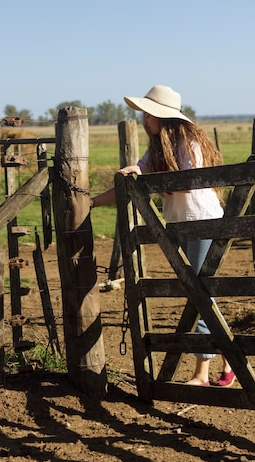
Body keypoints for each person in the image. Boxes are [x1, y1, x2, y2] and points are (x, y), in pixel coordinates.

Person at [92, 85, 235, 388]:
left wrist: (148, 178)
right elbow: (135, 179)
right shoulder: (157, 147)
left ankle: (201, 375)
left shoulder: (189, 143)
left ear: (161, 115)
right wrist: (91, 202)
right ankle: (233, 360)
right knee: (201, 293)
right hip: (179, 226)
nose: (144, 119)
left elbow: (189, 183)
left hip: (203, 224)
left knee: (198, 296)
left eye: (147, 113)